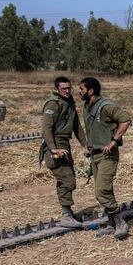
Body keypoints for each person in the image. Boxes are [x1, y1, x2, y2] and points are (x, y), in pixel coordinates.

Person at [79, 77, 132, 240]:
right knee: (105, 190)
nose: (79, 91)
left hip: (107, 155)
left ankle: (120, 222)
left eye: (82, 88)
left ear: (91, 90)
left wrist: (114, 141)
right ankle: (111, 223)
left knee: (101, 191)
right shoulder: (87, 106)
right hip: (95, 154)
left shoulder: (106, 106)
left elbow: (126, 120)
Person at [39, 76, 86, 229]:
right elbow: (46, 129)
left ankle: (67, 212)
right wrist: (53, 149)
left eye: (68, 88)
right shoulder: (53, 103)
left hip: (64, 144)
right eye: (63, 89)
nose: (67, 91)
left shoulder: (69, 102)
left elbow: (76, 126)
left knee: (66, 178)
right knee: (68, 180)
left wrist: (85, 144)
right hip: (55, 145)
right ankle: (66, 215)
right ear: (57, 89)